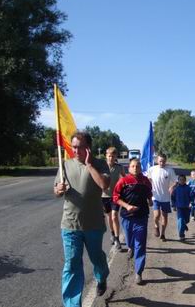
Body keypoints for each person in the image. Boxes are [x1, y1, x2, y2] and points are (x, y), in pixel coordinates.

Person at [53, 131, 110, 307]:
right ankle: (72, 304)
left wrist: (89, 165)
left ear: (89, 148)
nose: (76, 150)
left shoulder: (100, 164)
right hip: (70, 224)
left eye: (80, 147)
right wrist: (59, 189)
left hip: (93, 224)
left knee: (97, 258)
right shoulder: (64, 165)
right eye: (74, 147)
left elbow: (104, 185)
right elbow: (56, 191)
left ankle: (101, 276)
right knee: (72, 265)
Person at [112, 158, 153, 285]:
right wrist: (126, 206)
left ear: (141, 168)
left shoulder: (145, 181)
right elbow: (115, 197)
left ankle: (139, 272)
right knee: (130, 241)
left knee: (140, 244)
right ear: (129, 168)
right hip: (127, 216)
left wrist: (150, 200)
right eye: (133, 166)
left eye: (138, 166)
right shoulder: (123, 181)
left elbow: (149, 193)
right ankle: (130, 247)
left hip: (141, 216)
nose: (135, 168)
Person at [147, 153, 177, 242]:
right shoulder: (152, 169)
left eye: (163, 161)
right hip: (155, 196)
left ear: (166, 161)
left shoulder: (169, 170)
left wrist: (172, 187)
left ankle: (163, 234)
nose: (161, 163)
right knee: (156, 215)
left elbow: (176, 181)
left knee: (164, 216)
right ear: (157, 160)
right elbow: (148, 179)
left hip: (166, 198)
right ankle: (156, 226)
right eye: (160, 161)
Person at [102, 147, 125, 250]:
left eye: (113, 156)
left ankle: (117, 239)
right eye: (109, 156)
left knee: (114, 216)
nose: (111, 158)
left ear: (116, 157)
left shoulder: (119, 167)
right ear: (106, 156)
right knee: (109, 217)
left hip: (115, 196)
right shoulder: (102, 167)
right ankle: (112, 234)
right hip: (103, 196)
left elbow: (124, 179)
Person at [171, 175, 192, 240]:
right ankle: (181, 234)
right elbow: (173, 198)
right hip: (179, 207)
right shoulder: (176, 189)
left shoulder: (188, 188)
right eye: (180, 180)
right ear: (178, 181)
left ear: (185, 180)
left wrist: (191, 202)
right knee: (180, 220)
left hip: (187, 207)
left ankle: (184, 225)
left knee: (186, 220)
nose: (182, 181)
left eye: (183, 180)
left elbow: (192, 196)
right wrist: (173, 205)